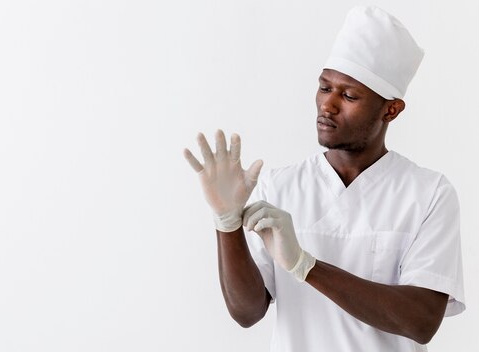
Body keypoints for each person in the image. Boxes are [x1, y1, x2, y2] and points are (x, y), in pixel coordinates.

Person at [183, 6, 465, 351]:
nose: (327, 105)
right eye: (324, 87)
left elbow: (420, 322)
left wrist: (305, 265)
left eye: (348, 95)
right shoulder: (281, 187)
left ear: (390, 110)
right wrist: (226, 223)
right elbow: (247, 312)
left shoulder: (428, 194)